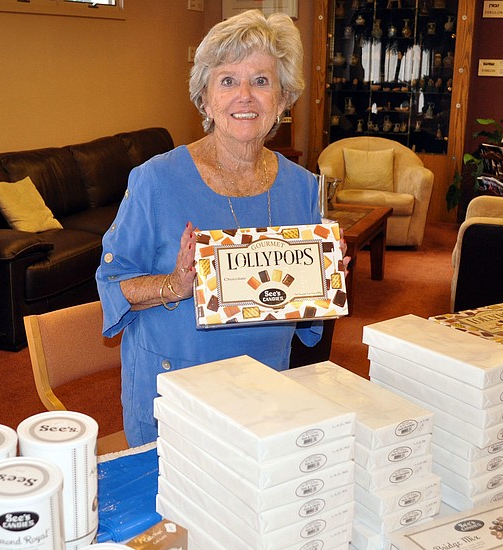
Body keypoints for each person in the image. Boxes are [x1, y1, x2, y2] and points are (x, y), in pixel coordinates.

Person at [96, 10, 340, 446]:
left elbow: (307, 311)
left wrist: (325, 274)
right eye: (228, 81)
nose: (244, 96)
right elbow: (113, 283)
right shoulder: (155, 180)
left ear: (282, 100)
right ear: (205, 100)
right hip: (175, 392)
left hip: (268, 391)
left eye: (261, 81)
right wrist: (173, 285)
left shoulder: (304, 188)